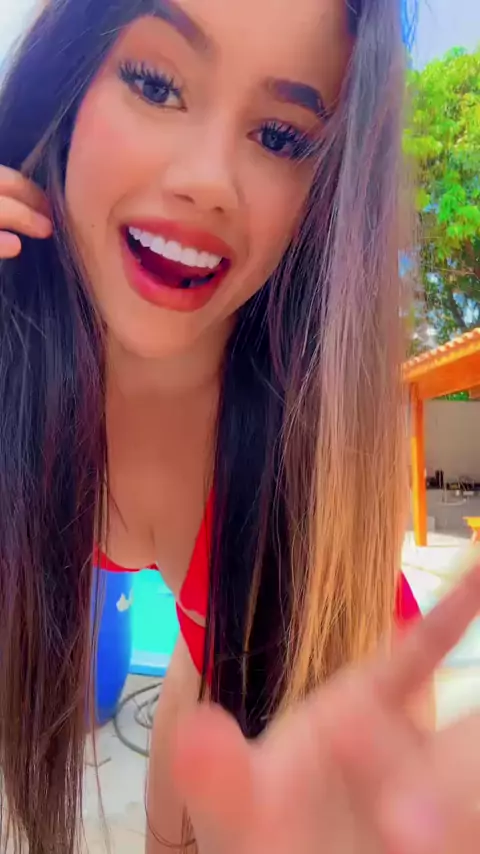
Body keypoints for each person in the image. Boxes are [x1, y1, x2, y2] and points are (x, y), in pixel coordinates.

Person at [0, 0, 479, 852]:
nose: (208, 180)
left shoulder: (301, 507)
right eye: (156, 84)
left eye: (282, 137)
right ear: (69, 80)